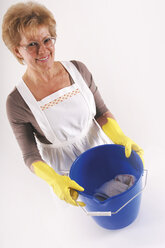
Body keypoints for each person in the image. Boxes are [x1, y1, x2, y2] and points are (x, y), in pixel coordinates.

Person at [2, 1, 144, 207]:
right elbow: (30, 155)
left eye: (47, 40)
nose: (43, 50)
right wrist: (55, 180)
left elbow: (101, 113)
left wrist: (120, 137)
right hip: (67, 175)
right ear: (17, 51)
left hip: (103, 154)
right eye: (32, 44)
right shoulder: (16, 102)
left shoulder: (78, 70)